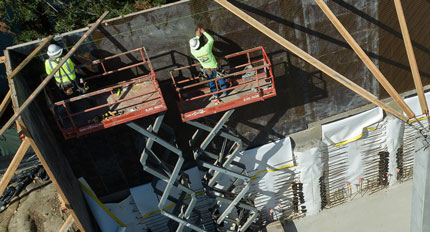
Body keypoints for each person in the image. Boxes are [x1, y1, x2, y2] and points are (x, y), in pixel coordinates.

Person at [189, 28, 227, 100]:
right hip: (215, 68)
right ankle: (225, 92)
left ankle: (215, 95)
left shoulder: (193, 52)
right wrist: (204, 32)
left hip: (207, 70)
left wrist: (197, 37)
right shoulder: (206, 48)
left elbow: (192, 48)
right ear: (199, 43)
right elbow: (211, 40)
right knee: (220, 80)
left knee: (211, 83)